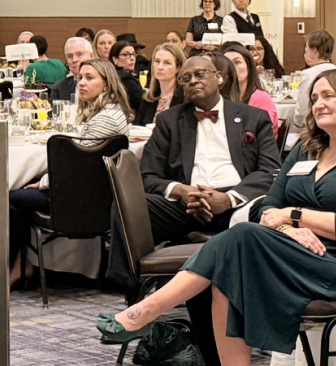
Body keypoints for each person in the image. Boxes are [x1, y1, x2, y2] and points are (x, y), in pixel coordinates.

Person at [102, 68, 336, 366]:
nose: (319, 104)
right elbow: (266, 206)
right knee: (228, 276)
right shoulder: (306, 150)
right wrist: (290, 228)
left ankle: (149, 309)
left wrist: (294, 215)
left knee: (239, 238)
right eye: (314, 98)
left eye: (329, 96)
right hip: (292, 253)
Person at [108, 53, 281, 287]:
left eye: (200, 74)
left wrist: (229, 198)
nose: (193, 81)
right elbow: (148, 176)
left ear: (218, 78)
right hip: (187, 206)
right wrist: (181, 191)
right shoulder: (169, 121)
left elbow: (270, 170)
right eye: (186, 78)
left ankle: (267, 287)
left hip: (238, 204)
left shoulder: (253, 117)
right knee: (130, 205)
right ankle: (130, 285)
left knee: (272, 211)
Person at [9, 59, 132, 284]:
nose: (81, 83)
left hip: (84, 199)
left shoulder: (105, 119)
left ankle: (16, 266)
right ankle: (24, 264)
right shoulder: (109, 111)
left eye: (89, 78)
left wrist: (45, 182)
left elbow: (80, 167)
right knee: (25, 190)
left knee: (12, 198)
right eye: (80, 78)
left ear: (106, 84)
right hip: (97, 192)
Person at [288, 30, 336, 132]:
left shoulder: (309, 74)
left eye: (306, 47)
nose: (305, 51)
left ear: (314, 49)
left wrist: (296, 126)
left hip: (314, 128)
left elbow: (302, 111)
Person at [221, 43, 278, 130]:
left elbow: (260, 133)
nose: (231, 67)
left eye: (237, 62)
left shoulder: (260, 98)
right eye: (227, 63)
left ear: (249, 67)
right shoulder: (221, 97)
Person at [138, 42, 184, 125]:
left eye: (167, 63)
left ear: (178, 68)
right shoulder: (149, 98)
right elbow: (138, 125)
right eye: (157, 61)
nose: (160, 67)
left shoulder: (185, 99)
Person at [49, 36, 93, 102]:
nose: (74, 60)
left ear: (91, 56)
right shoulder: (59, 88)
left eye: (79, 54)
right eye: (70, 56)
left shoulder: (102, 85)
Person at [108, 40, 145, 113]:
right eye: (126, 55)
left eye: (133, 54)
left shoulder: (112, 75)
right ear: (115, 59)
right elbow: (140, 105)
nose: (132, 58)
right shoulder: (126, 79)